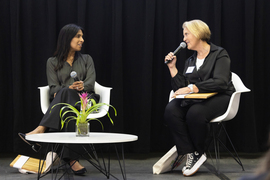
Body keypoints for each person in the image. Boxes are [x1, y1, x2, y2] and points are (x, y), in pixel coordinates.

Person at [19, 24, 97, 175]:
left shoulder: (87, 59)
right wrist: (68, 88)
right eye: (78, 36)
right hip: (65, 101)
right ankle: (72, 159)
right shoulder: (52, 62)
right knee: (65, 96)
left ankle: (40, 130)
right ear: (67, 38)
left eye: (82, 36)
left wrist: (80, 86)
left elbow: (91, 83)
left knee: (64, 93)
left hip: (86, 99)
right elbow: (53, 88)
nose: (82, 40)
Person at [164, 19, 235, 177]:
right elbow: (181, 87)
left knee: (195, 113)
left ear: (197, 33)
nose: (184, 39)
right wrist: (173, 68)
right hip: (199, 98)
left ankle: (198, 151)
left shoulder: (219, 54)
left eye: (186, 34)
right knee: (171, 110)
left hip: (221, 96)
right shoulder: (190, 60)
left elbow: (221, 81)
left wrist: (194, 88)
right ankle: (190, 153)